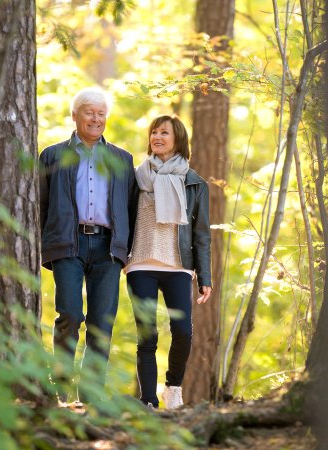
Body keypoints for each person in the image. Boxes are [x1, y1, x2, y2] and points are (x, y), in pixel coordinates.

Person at [39, 87, 137, 403]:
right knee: (69, 313)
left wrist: (128, 250)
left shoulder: (123, 159)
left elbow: (132, 209)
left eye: (100, 113)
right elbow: (39, 204)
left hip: (109, 248)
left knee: (101, 324)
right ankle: (61, 388)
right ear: (75, 116)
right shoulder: (53, 155)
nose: (95, 119)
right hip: (68, 243)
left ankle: (91, 396)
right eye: (89, 112)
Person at [125, 114, 212, 410]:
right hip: (140, 263)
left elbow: (201, 234)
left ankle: (173, 388)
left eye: (164, 132)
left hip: (178, 265)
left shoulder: (193, 182)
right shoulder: (135, 176)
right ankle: (148, 399)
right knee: (146, 334)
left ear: (178, 140)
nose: (157, 137)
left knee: (183, 332)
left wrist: (205, 277)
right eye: (154, 132)